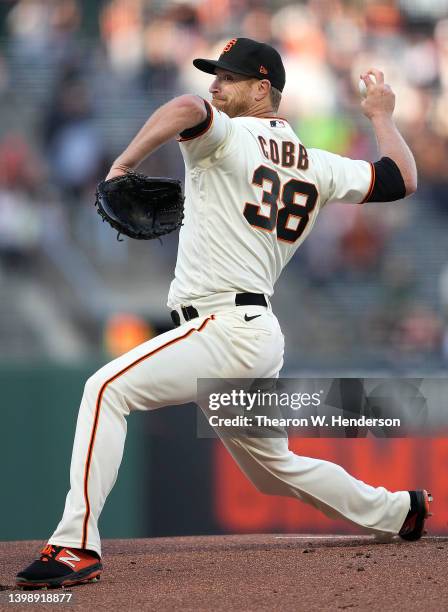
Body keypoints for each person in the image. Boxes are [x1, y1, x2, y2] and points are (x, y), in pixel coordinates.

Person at [17, 37, 430, 590]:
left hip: (223, 327)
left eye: (228, 78)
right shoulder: (319, 164)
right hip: (253, 333)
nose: (215, 85)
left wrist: (122, 164)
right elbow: (401, 178)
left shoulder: (227, 136)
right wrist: (381, 116)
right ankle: (399, 510)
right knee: (274, 470)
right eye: (214, 76)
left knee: (104, 390)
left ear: (263, 89)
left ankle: (73, 547)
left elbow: (187, 109)